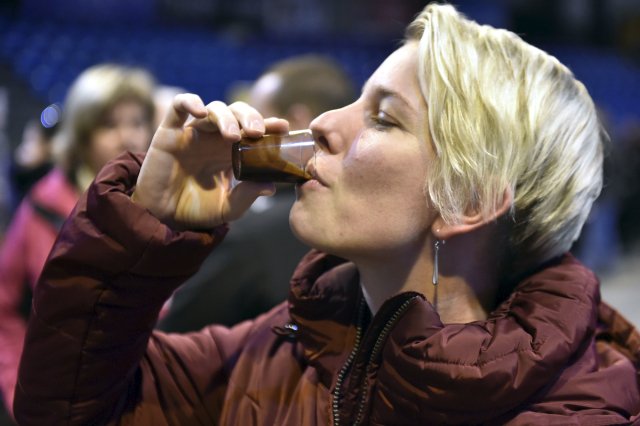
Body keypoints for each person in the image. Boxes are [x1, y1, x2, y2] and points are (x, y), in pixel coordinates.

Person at [14, 4, 640, 425]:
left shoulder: (581, 408)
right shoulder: (286, 341)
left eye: (383, 117)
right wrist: (147, 227)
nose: (321, 125)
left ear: (468, 201)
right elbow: (67, 409)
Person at [0, 63, 156, 419]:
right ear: (82, 135)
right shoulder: (43, 205)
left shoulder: (162, 207)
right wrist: (18, 389)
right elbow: (4, 311)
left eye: (136, 122)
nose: (128, 137)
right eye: (109, 125)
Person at [158, 55, 356, 331]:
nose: (244, 135)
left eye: (258, 115)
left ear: (297, 120)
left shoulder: (250, 238)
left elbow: (165, 345)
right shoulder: (369, 233)